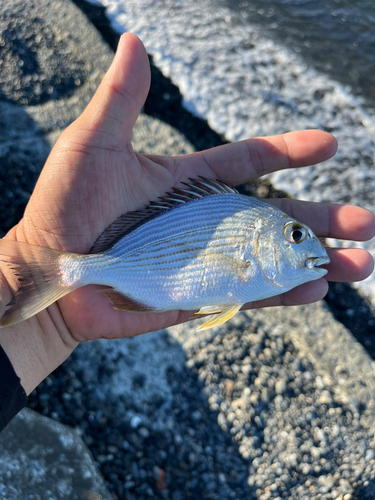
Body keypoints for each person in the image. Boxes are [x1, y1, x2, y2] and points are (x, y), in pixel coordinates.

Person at [0, 34, 374, 431]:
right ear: (263, 242)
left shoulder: (257, 238)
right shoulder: (254, 235)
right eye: (296, 236)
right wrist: (29, 280)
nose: (309, 248)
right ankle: (53, 272)